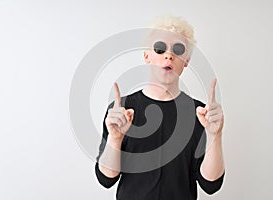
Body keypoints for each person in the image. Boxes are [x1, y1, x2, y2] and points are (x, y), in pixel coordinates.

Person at [95, 15, 225, 200]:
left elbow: (211, 184)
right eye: (160, 48)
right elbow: (106, 179)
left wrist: (215, 135)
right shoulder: (122, 110)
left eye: (178, 49)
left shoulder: (201, 114)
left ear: (186, 61)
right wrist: (115, 139)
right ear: (147, 56)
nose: (169, 55)